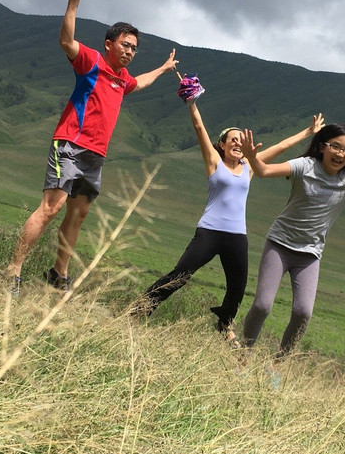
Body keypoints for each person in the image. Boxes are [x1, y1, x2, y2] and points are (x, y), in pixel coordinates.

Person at [4, 0, 178, 296]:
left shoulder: (121, 79)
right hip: (70, 144)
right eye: (125, 45)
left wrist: (164, 69)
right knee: (51, 208)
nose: (129, 51)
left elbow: (138, 83)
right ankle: (13, 269)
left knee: (79, 212)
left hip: (95, 155)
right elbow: (66, 41)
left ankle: (58, 273)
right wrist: (73, 3)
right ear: (109, 44)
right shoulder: (92, 62)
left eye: (134, 48)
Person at [133, 96, 325, 342]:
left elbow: (282, 147)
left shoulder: (250, 166)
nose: (237, 143)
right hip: (209, 232)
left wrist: (308, 131)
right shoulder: (214, 163)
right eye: (232, 139)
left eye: (240, 140)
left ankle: (225, 326)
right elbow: (199, 127)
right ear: (221, 145)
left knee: (237, 289)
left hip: (237, 236)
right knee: (180, 274)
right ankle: (139, 310)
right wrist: (191, 102)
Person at [238, 101, 345, 359]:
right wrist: (251, 157)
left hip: (309, 254)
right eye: (335, 146)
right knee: (262, 305)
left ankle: (279, 365)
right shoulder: (304, 166)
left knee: (303, 313)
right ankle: (242, 355)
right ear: (322, 146)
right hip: (280, 244)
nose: (340, 153)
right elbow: (262, 171)